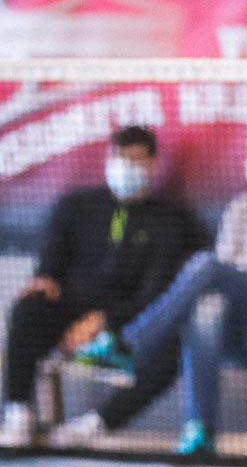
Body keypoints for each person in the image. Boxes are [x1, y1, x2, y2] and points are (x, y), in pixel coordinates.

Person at [51, 123, 247, 457]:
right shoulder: (241, 210)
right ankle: (199, 432)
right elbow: (227, 276)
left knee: (206, 265)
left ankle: (130, 343)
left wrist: (242, 272)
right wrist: (241, 273)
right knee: (207, 308)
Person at [0, 125, 207, 448]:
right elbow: (50, 266)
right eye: (118, 157)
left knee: (174, 347)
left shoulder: (171, 219)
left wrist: (106, 320)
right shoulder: (75, 206)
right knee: (29, 307)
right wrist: (44, 278)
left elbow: (158, 292)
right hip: (69, 313)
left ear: (153, 164)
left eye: (135, 159)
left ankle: (95, 424)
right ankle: (18, 415)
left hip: (130, 321)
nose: (125, 166)